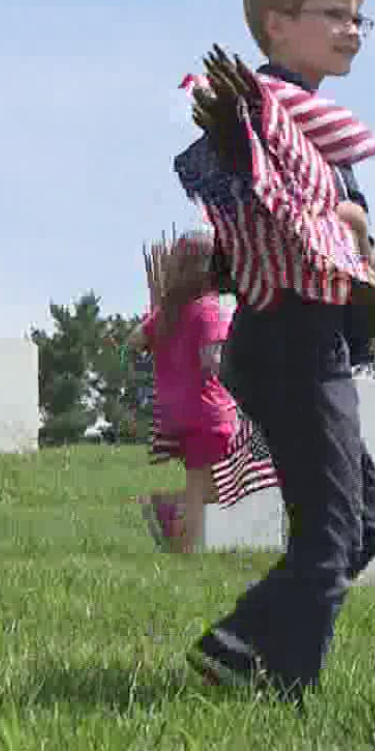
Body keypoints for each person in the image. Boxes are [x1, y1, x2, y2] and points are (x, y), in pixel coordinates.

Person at [174, 0, 375, 703]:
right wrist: (347, 216)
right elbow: (268, 222)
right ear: (277, 26)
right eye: (335, 15)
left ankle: (241, 641)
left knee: (369, 522)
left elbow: (312, 246)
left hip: (307, 333)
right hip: (289, 340)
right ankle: (288, 691)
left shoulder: (305, 118)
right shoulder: (263, 114)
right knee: (330, 536)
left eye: (360, 17)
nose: (353, 29)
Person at [131, 230, 237, 553]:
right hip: (210, 414)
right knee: (206, 491)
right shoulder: (209, 308)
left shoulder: (167, 314)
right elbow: (214, 360)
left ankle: (167, 509)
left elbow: (133, 343)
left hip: (177, 414)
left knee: (220, 488)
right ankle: (182, 552)